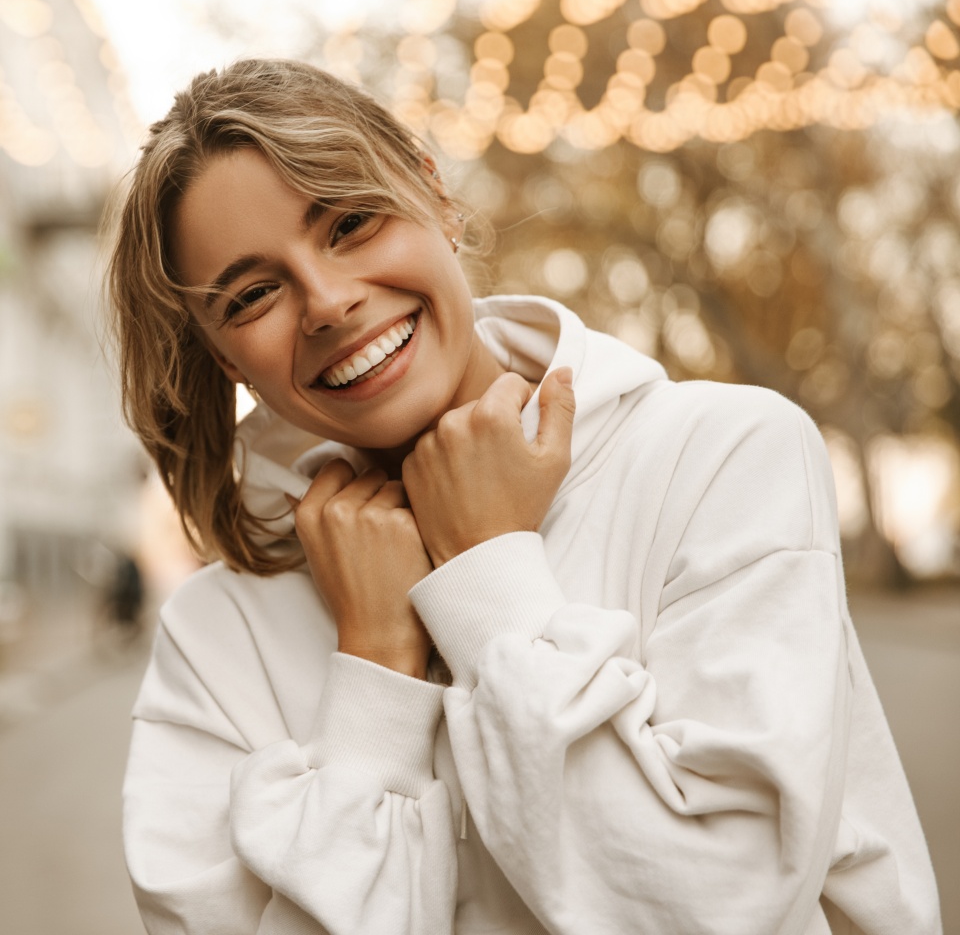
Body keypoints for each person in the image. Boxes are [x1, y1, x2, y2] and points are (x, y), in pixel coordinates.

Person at [110, 58, 940, 935]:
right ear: (222, 358)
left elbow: (722, 906)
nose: (325, 302)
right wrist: (376, 682)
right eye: (252, 294)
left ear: (436, 194)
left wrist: (486, 578)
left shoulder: (722, 456)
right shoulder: (215, 635)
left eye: (351, 222)